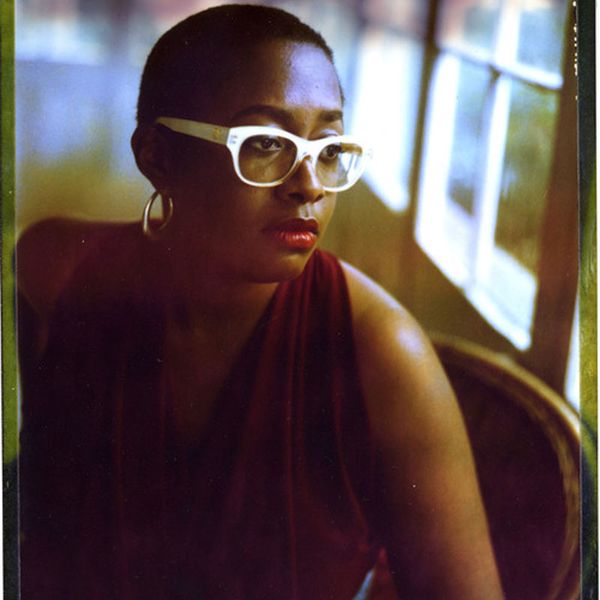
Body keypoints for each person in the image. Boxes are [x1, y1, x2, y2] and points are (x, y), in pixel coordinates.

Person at [16, 4, 504, 599]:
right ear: (158, 156)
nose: (309, 185)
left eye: (328, 148)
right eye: (267, 143)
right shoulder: (60, 273)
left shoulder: (382, 353)